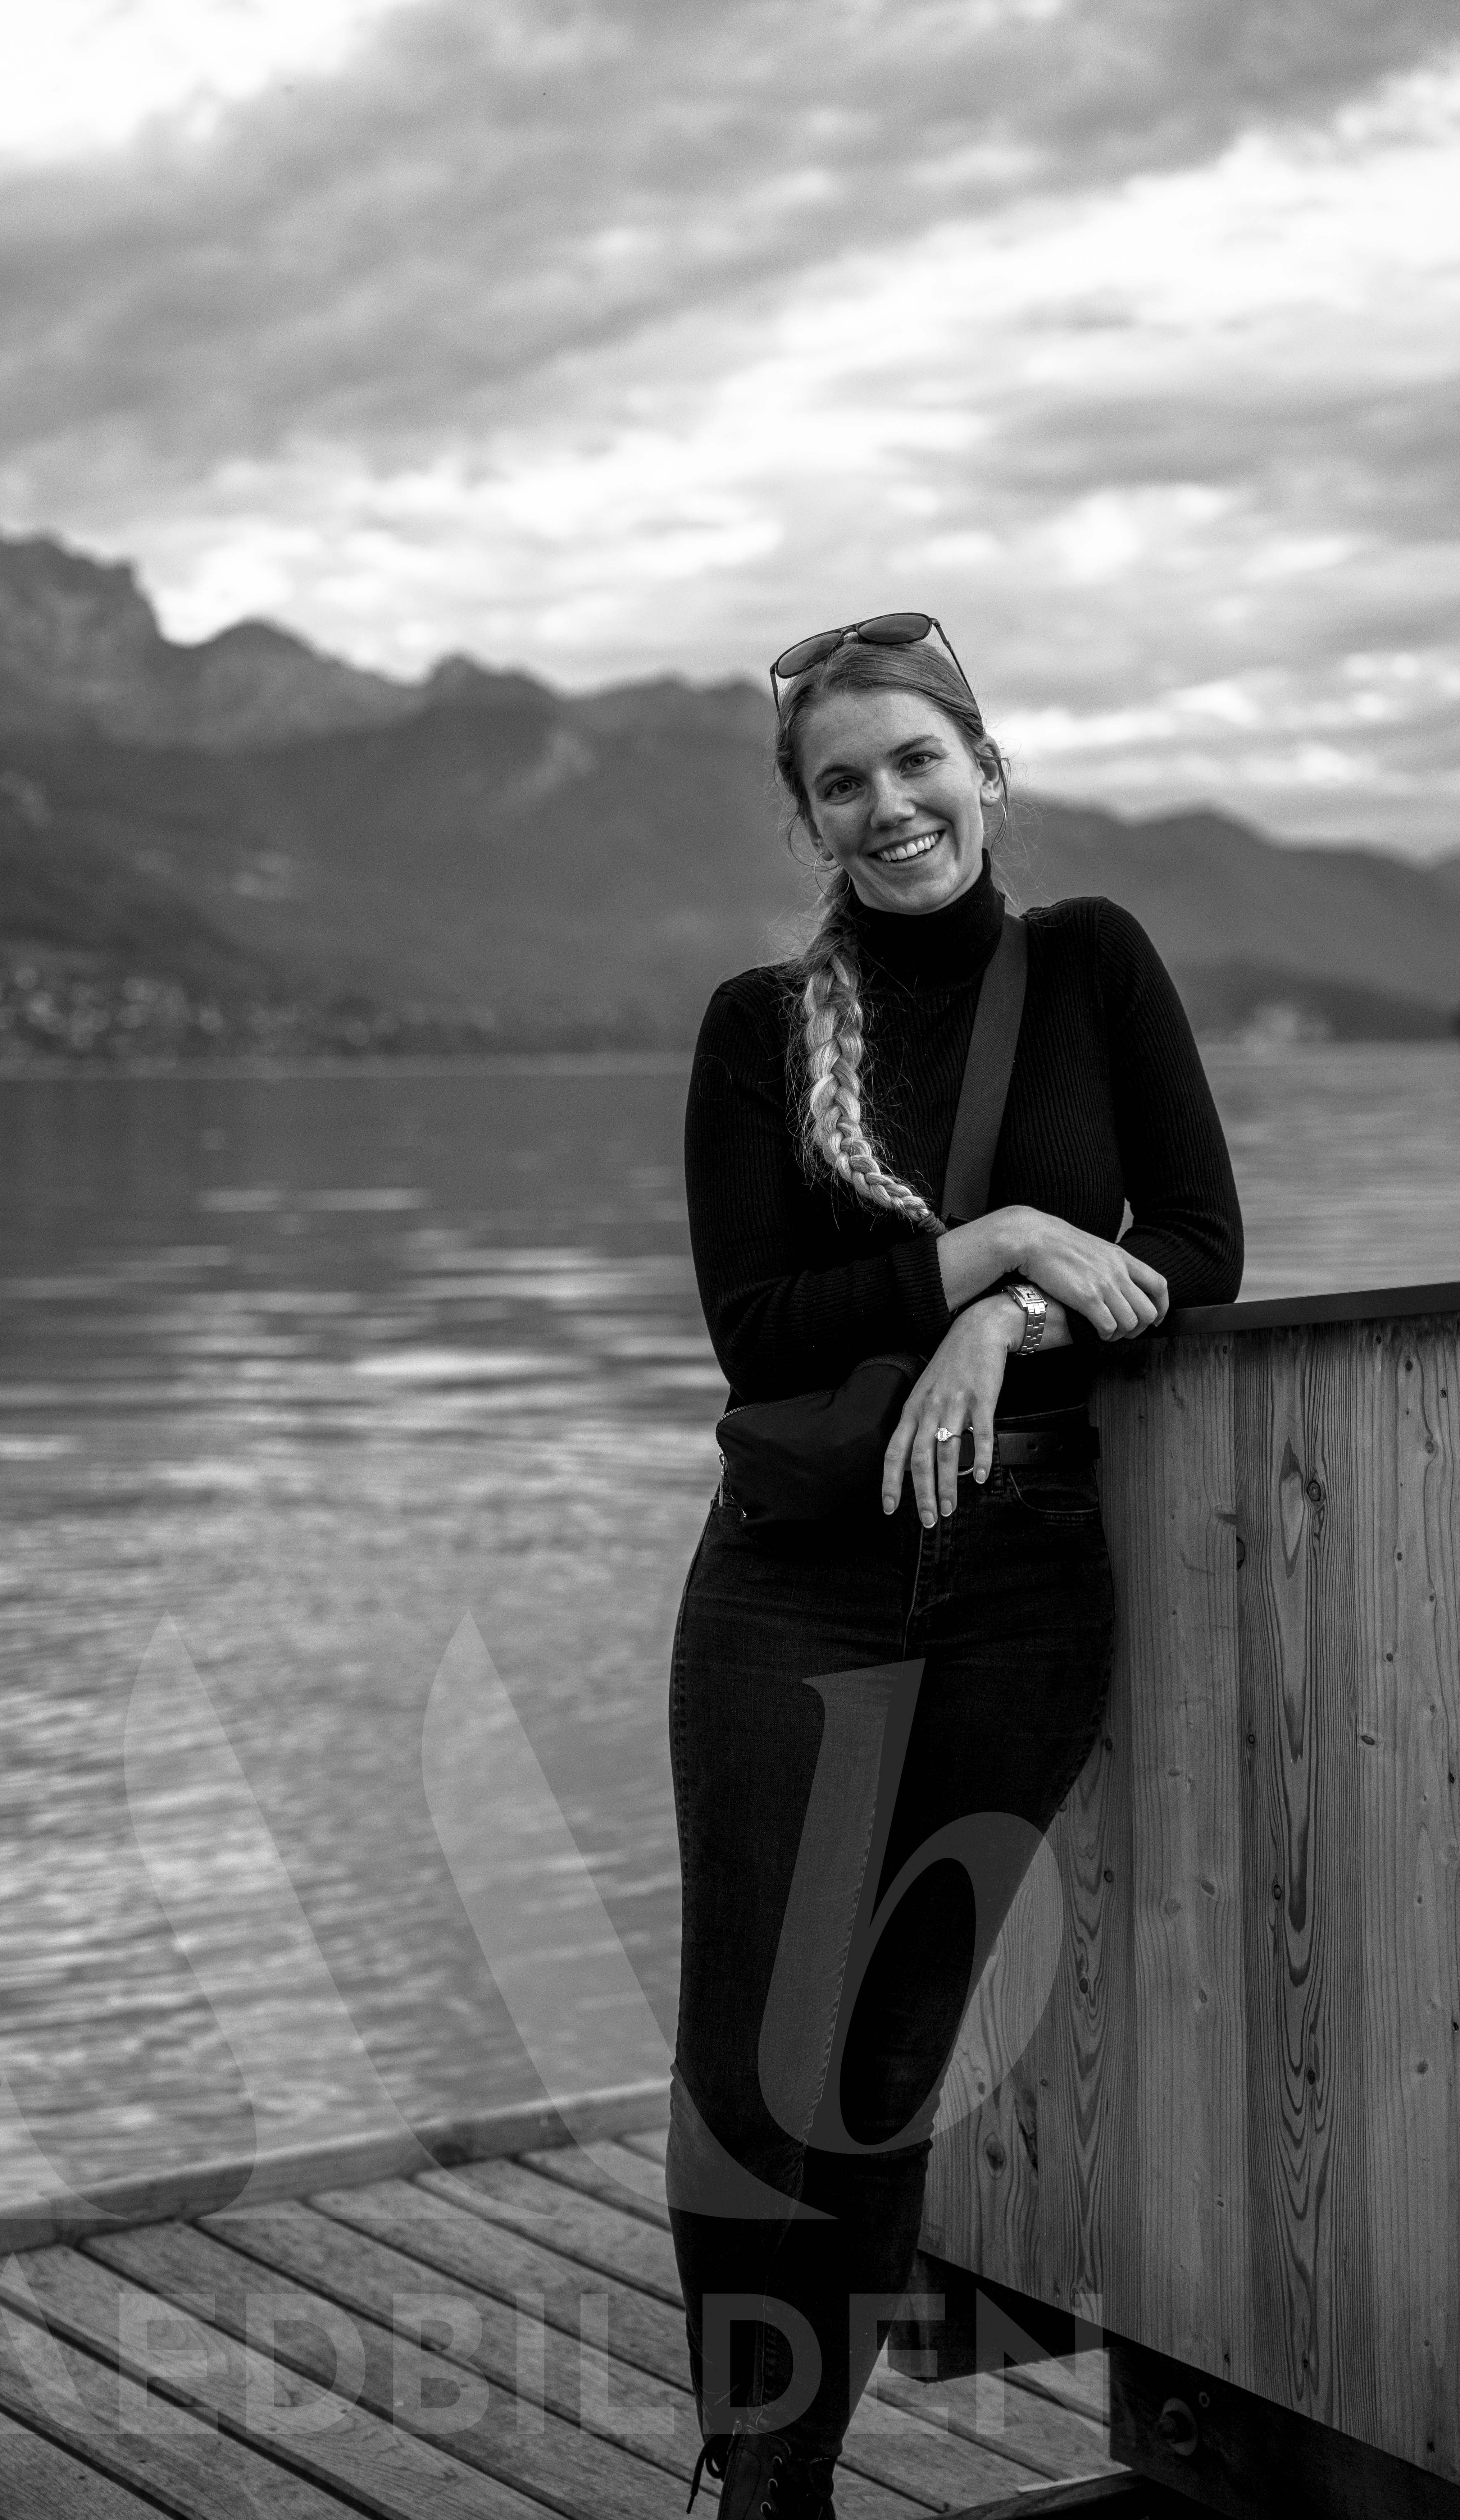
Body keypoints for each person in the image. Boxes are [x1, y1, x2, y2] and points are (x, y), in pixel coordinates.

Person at [667, 617, 1243, 2518]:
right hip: (796, 1576)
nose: (890, 805)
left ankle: (796, 2470)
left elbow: (1197, 1248)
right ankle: (762, 2468)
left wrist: (1010, 1327)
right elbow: (760, 1330)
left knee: (890, 2063)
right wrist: (991, 1242)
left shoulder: (1092, 965)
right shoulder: (762, 1029)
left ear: (984, 767)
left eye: (918, 762)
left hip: (1018, 1579)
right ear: (812, 820)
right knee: (760, 2066)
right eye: (845, 782)